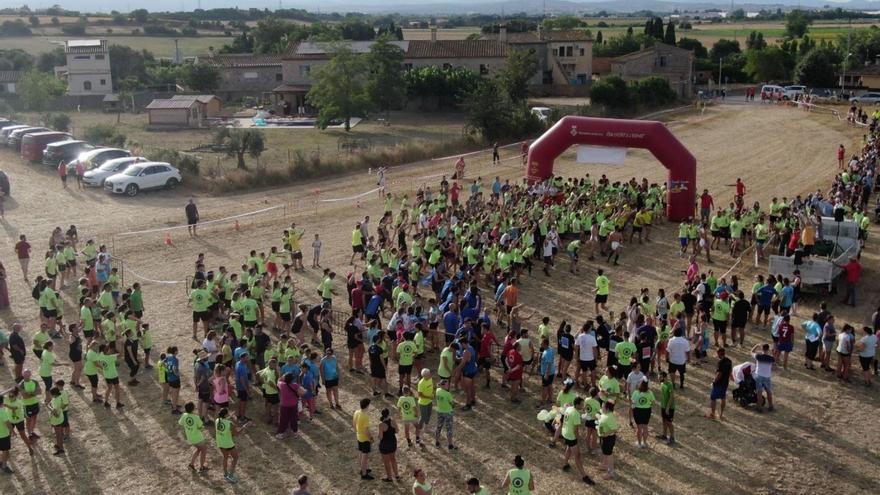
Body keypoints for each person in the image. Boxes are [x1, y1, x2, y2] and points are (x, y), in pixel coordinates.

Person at [560, 397, 595, 485]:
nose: (583, 406)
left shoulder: (569, 408)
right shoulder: (576, 414)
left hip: (565, 432)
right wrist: (578, 439)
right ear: (577, 405)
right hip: (571, 436)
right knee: (578, 456)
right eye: (582, 404)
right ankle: (584, 476)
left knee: (568, 448)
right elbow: (576, 430)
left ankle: (565, 464)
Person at [179, 401, 209, 473]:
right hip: (198, 438)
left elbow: (180, 423)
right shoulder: (196, 417)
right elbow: (201, 427)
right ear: (193, 409)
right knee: (204, 450)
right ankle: (202, 467)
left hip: (190, 438)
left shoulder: (184, 415)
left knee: (199, 449)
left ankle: (191, 464)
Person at [215, 407, 242, 484]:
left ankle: (225, 473)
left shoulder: (217, 420)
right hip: (228, 444)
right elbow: (237, 433)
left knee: (225, 457)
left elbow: (224, 422)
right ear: (226, 414)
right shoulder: (229, 423)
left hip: (220, 443)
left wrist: (230, 417)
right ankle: (231, 475)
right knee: (235, 457)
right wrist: (244, 427)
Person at [707, 347, 733, 421]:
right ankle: (721, 414)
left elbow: (719, 374)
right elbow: (730, 371)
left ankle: (712, 414)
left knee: (713, 398)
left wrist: (714, 381)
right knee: (723, 397)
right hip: (725, 383)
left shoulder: (720, 362)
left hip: (719, 383)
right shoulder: (729, 361)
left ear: (719, 353)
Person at [353, 398, 374, 480]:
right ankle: (364, 474)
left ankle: (363, 468)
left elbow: (354, 423)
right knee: (365, 456)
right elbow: (366, 430)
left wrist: (357, 431)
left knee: (361, 453)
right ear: (367, 406)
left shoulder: (357, 412)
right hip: (365, 439)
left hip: (359, 436)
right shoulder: (365, 416)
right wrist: (371, 438)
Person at [630, 378, 654, 448]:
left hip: (638, 411)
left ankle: (639, 444)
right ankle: (645, 442)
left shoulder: (636, 392)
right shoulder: (650, 392)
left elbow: (632, 402)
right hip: (647, 411)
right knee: (645, 427)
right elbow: (652, 401)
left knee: (639, 428)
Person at [377, 408, 399, 482]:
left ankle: (389, 477)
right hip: (393, 443)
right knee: (393, 459)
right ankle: (397, 475)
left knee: (387, 462)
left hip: (385, 445)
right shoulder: (393, 421)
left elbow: (381, 437)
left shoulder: (381, 425)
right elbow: (397, 431)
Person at [752, 343, 775, 412]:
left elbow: (751, 351)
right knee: (768, 391)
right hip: (767, 376)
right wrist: (771, 352)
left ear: (762, 349)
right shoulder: (771, 358)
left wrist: (756, 345)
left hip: (759, 375)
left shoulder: (758, 356)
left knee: (759, 392)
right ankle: (770, 406)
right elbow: (774, 364)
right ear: (768, 349)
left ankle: (759, 407)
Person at [434, 379, 455, 450]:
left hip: (440, 411)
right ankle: (450, 445)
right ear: (443, 385)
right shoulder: (448, 394)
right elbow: (452, 404)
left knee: (439, 427)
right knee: (449, 429)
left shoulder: (437, 391)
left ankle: (437, 442)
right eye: (447, 384)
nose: (448, 386)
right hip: (448, 413)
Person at [415, 368, 433, 445]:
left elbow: (432, 386)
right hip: (423, 403)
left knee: (429, 414)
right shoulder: (421, 383)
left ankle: (426, 427)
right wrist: (429, 397)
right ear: (424, 376)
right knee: (423, 416)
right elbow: (419, 395)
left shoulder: (430, 378)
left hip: (429, 401)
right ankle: (419, 429)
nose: (430, 375)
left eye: (429, 374)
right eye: (428, 375)